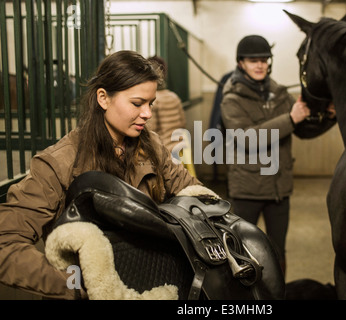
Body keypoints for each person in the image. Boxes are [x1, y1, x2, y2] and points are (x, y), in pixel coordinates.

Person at [0, 50, 209, 299]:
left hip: (156, 285)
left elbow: (194, 195)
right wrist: (79, 286)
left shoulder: (152, 145)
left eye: (150, 103)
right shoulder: (58, 162)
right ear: (103, 98)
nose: (148, 114)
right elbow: (5, 245)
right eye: (137, 103)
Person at [220, 35, 314, 275]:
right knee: (243, 251)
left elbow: (302, 128)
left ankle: (276, 296)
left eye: (264, 59)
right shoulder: (232, 99)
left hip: (278, 190)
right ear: (241, 63)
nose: (260, 64)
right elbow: (247, 139)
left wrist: (329, 115)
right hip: (247, 190)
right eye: (253, 60)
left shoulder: (280, 94)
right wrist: (290, 118)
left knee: (277, 252)